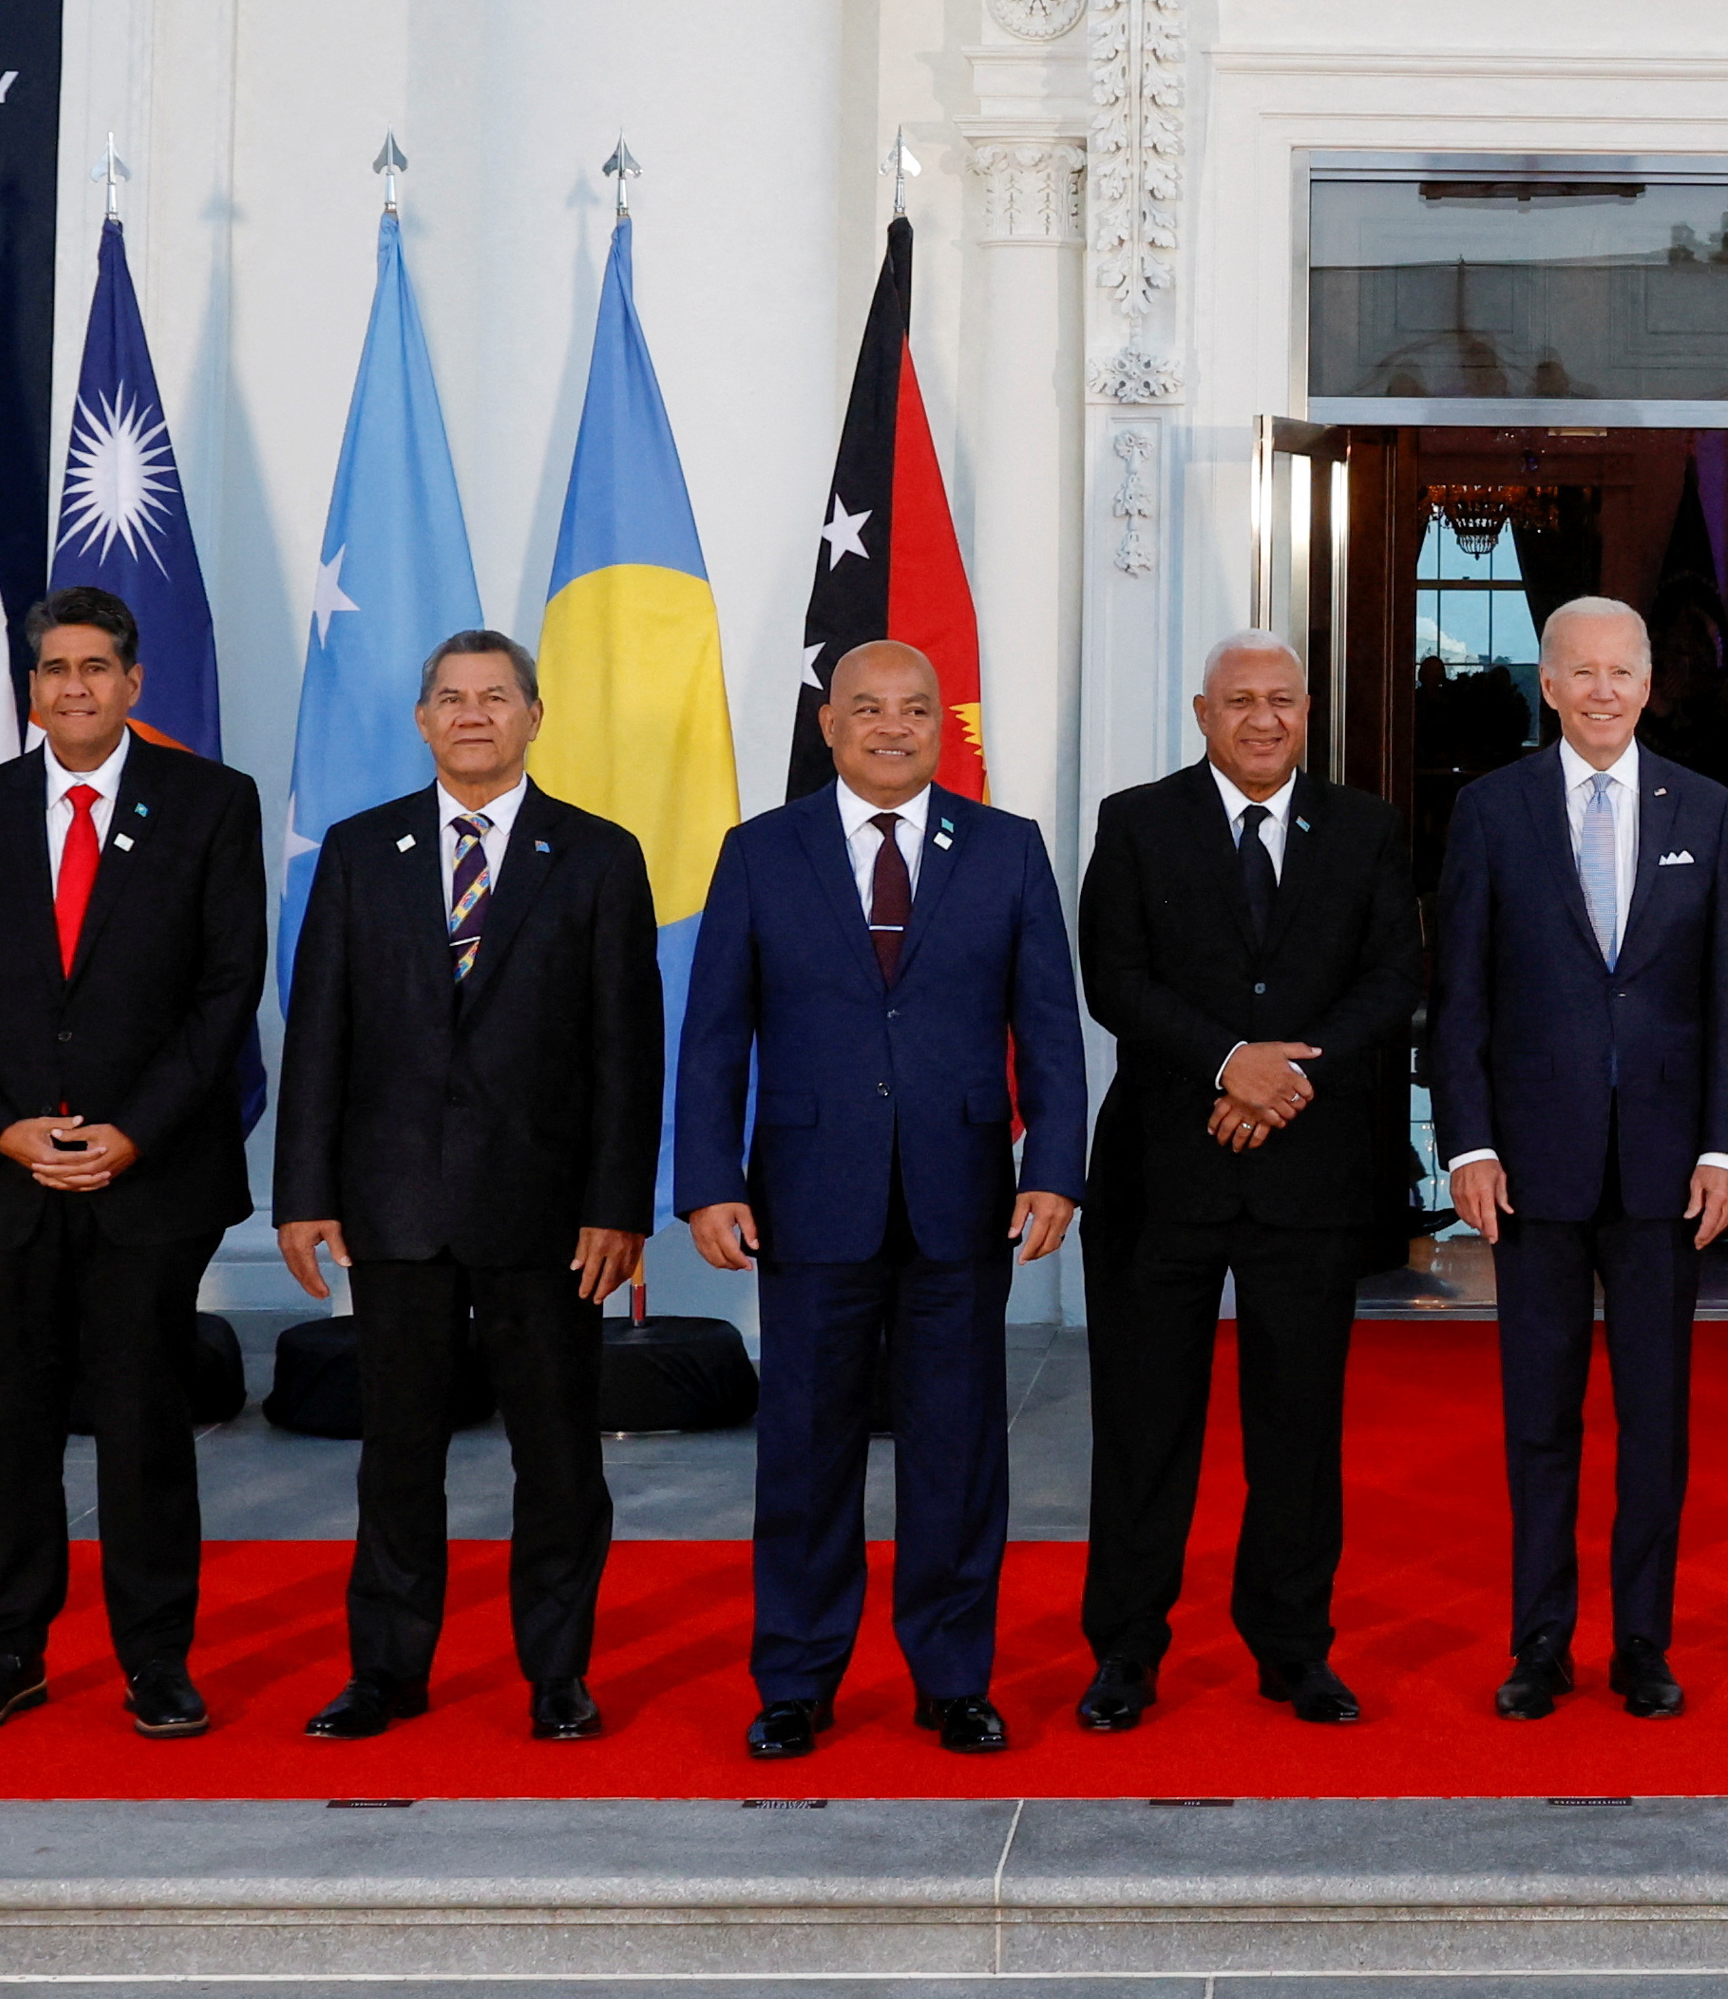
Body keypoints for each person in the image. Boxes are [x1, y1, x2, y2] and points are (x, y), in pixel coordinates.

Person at [683, 637, 1088, 1761]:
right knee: (805, 1450)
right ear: (829, 723)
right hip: (809, 1198)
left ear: (940, 727)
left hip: (962, 1198)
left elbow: (1048, 1027)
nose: (892, 726)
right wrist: (708, 1180)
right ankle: (797, 1679)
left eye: (915, 709)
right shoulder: (761, 852)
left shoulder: (1006, 850)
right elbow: (715, 1034)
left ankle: (955, 1677)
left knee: (957, 1450)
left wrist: (1054, 1163)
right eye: (868, 708)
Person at [0, 583, 267, 1741]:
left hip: (146, 1176)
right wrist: (1, 1127)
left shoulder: (210, 804)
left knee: (145, 1417)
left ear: (133, 682)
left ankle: (156, 1656)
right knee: (9, 1424)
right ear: (32, 688)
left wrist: (132, 1128)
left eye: (96, 667)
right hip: (4, 1175)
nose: (75, 688)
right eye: (55, 670)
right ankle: (9, 1651)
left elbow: (223, 990)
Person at [273, 627, 662, 1744]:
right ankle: (385, 1672)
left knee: (556, 1452)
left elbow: (625, 1051)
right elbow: (321, 1033)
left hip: (548, 1214)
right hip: (394, 1205)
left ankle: (557, 1675)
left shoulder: (596, 855)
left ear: (535, 715)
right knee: (397, 1453)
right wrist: (302, 1192)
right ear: (422, 718)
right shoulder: (358, 851)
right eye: (451, 697)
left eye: (496, 696)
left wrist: (618, 1204)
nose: (474, 714)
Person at [1069, 628, 1420, 1733]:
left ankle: (1292, 1649)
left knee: (1298, 1432)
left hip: (1308, 1181)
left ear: (1306, 710)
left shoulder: (1363, 827)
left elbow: (1393, 976)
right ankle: (1125, 1651)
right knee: (1142, 1428)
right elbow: (1112, 975)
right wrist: (1231, 1063)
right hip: (1160, 1176)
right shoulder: (1136, 821)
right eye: (1240, 701)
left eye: (1282, 700)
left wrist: (1282, 1076)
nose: (1263, 719)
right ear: (1201, 710)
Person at [1429, 593, 1728, 1719]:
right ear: (1551, 684)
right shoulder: (1490, 811)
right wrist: (1463, 1140)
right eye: (1584, 672)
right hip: (1531, 1166)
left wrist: (1727, 1148)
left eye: (1624, 670)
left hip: (1669, 1172)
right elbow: (1458, 993)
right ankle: (1538, 1641)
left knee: (1655, 1418)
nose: (1605, 690)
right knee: (1541, 1417)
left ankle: (1642, 1643)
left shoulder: (1706, 809)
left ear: (1649, 681)